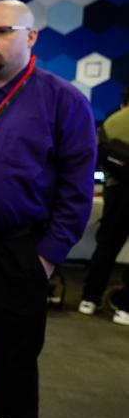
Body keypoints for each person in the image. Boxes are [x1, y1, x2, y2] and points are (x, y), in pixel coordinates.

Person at [0, 0, 96, 418]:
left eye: (2, 31)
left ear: (31, 37)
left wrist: (48, 256)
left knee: (14, 367)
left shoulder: (61, 99)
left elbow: (77, 188)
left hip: (20, 253)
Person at [79, 86, 129, 326]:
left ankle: (89, 299)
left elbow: (99, 156)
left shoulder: (112, 121)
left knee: (106, 246)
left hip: (116, 193)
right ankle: (125, 309)